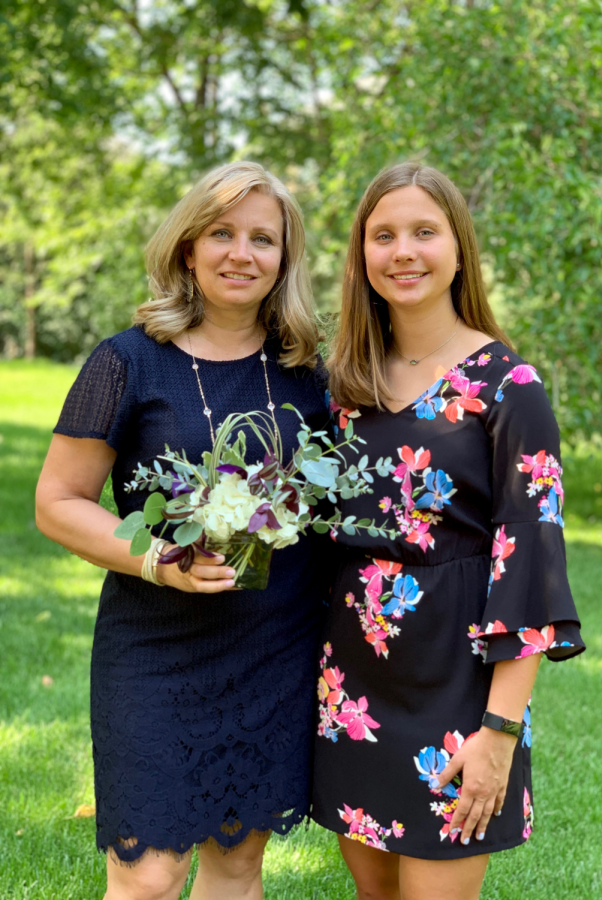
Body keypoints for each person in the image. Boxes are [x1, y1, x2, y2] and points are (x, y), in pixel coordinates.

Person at [36, 161, 329, 900]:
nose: (242, 253)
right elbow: (58, 501)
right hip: (154, 649)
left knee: (237, 865)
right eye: (222, 232)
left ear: (284, 259)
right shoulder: (125, 362)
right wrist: (159, 558)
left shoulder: (308, 372)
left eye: (263, 238)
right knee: (148, 876)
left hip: (274, 645)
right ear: (187, 246)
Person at [311, 162, 585, 900]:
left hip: (459, 693)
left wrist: (498, 732)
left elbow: (529, 558)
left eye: (423, 232)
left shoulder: (508, 386)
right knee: (374, 893)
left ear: (458, 249)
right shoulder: (341, 381)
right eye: (383, 235)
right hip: (352, 692)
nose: (403, 251)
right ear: (360, 256)